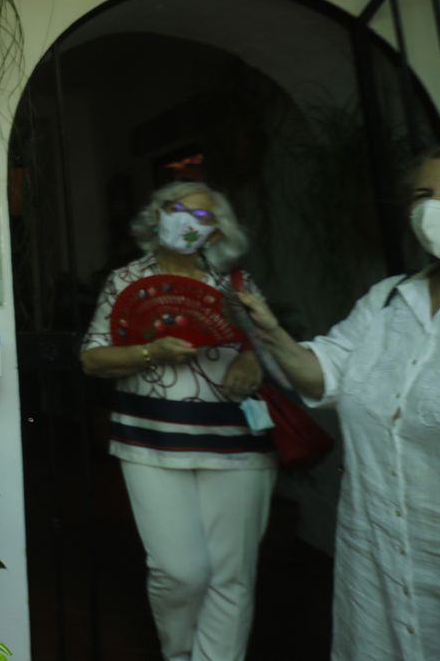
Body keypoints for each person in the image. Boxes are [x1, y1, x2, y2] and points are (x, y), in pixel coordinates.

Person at [237, 142, 440, 661]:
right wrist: (271, 333)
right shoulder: (388, 300)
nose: (433, 207)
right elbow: (325, 374)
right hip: (378, 567)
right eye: (422, 194)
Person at [80, 181, 272, 661]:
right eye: (176, 208)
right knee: (178, 570)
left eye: (201, 216)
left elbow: (272, 348)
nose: (186, 220)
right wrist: (150, 351)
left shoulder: (236, 284)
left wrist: (254, 361)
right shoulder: (126, 280)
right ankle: (179, 653)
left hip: (237, 443)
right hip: (149, 440)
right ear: (157, 214)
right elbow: (93, 359)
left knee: (232, 574)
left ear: (215, 233)